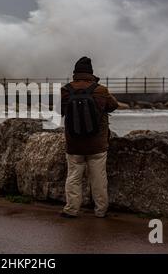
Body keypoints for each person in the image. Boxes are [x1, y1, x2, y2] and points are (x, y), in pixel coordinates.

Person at [60, 56, 118, 218]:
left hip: (74, 144)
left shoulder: (65, 90)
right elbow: (113, 106)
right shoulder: (100, 90)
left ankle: (71, 210)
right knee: (98, 178)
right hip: (97, 145)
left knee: (73, 177)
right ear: (91, 73)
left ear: (75, 73)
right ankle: (100, 211)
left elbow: (60, 111)